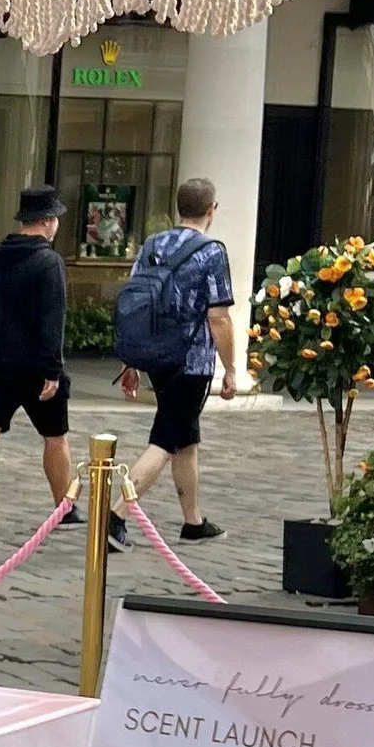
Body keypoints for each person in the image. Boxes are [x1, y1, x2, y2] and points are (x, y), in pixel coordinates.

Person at [0, 185, 82, 535]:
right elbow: (53, 318)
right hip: (37, 366)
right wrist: (53, 368)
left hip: (0, 361)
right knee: (56, 437)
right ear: (48, 221)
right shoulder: (48, 261)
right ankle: (64, 509)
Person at [116, 175, 234, 541]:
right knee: (166, 439)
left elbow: (137, 305)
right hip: (192, 361)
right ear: (211, 210)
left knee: (186, 439)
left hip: (157, 357)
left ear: (178, 208)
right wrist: (231, 369)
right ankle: (115, 515)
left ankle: (193, 521)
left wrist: (132, 360)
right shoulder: (212, 250)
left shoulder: (153, 243)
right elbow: (219, 317)